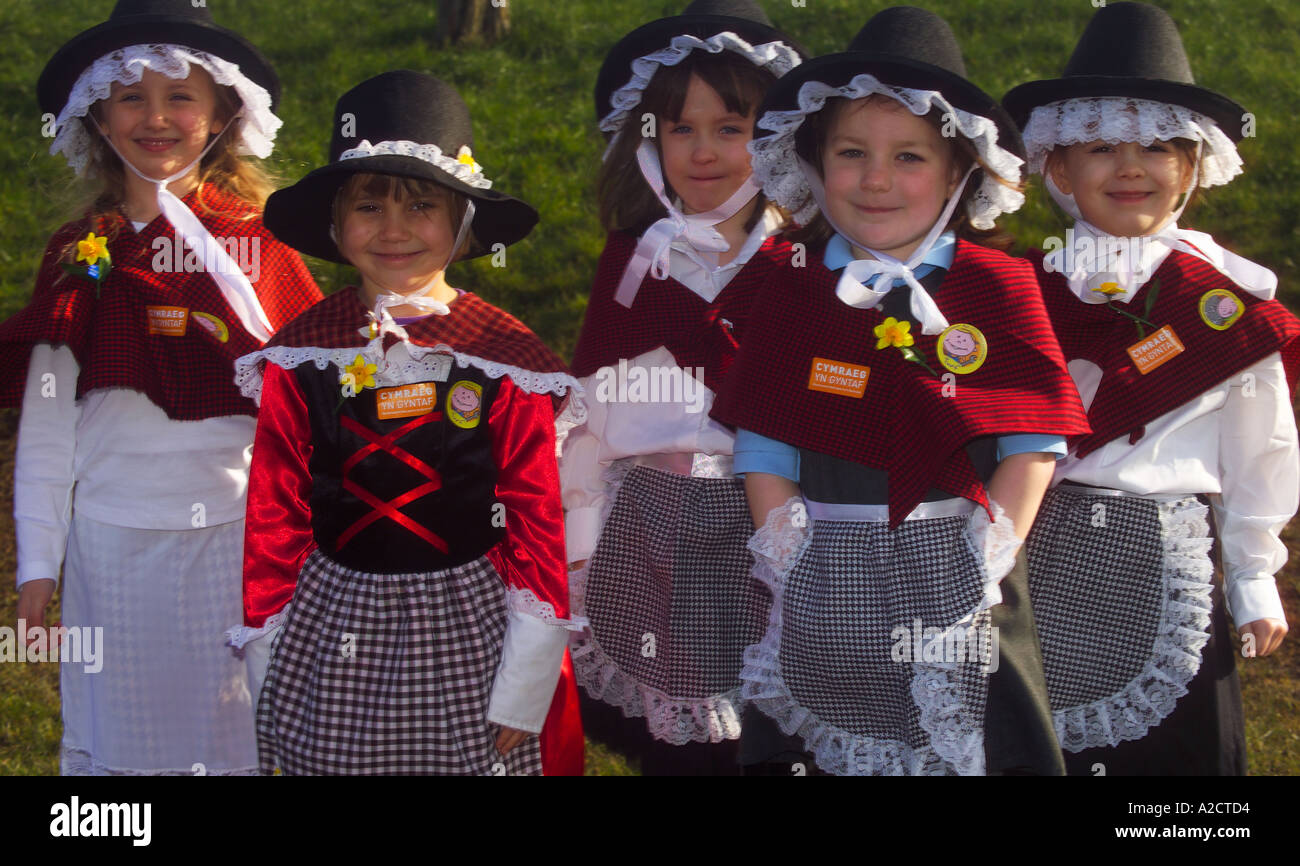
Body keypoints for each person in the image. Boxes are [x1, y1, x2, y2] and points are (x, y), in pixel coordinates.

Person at [712, 6, 1089, 775]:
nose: (876, 181)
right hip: (825, 572)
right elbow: (762, 441)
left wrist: (989, 556)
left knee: (976, 746)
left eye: (909, 158)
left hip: (963, 576)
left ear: (958, 172)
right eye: (851, 153)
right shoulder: (789, 289)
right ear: (815, 165)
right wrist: (790, 556)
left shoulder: (1000, 287)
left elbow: (1033, 442)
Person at [230, 71, 586, 775]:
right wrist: (270, 655)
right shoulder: (302, 356)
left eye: (422, 205)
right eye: (369, 205)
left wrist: (523, 686)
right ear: (336, 223)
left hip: (467, 629)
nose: (393, 229)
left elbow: (536, 524)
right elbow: (273, 516)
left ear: (462, 224)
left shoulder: (501, 361)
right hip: (333, 623)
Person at [3, 0, 322, 775]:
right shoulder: (82, 258)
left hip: (235, 540)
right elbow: (46, 426)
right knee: (120, 737)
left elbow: (313, 410)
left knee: (230, 735)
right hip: (109, 544)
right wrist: (38, 560)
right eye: (130, 96)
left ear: (218, 114)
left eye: (180, 95)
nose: (156, 116)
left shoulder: (261, 248)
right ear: (99, 118)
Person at [1003, 0, 1300, 775]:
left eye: (1158, 148)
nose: (1130, 167)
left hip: (1173, 563)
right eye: (1100, 146)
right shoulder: (1024, 295)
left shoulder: (1225, 306)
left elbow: (1259, 453)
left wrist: (1256, 576)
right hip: (1043, 556)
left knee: (1174, 766)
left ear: (1193, 167)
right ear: (1058, 169)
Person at [561, 0, 804, 774]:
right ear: (650, 140)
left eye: (730, 129)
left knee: (777, 724)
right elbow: (595, 414)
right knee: (683, 733)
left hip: (777, 524)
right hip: (655, 532)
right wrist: (577, 545)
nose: (703, 152)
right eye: (680, 130)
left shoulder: (808, 264)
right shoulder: (635, 264)